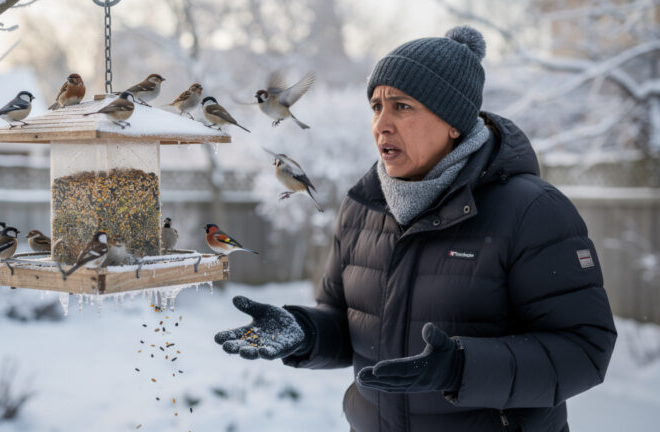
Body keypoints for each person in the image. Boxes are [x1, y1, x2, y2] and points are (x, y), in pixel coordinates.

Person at [214, 25, 617, 432]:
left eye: (402, 106)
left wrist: (462, 367)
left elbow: (585, 348)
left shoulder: (531, 211)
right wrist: (305, 331)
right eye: (376, 107)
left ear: (454, 121)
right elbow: (349, 321)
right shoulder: (361, 207)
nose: (381, 125)